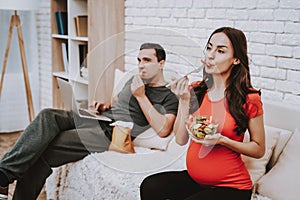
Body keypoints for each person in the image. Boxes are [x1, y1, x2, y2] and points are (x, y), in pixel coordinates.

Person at [0, 43, 178, 200]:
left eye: (146, 60)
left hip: (112, 133)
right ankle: (4, 173)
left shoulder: (168, 96)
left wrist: (141, 96)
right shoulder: (134, 80)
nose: (140, 66)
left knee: (42, 149)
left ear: (161, 64)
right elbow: (117, 101)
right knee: (48, 115)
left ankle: (4, 178)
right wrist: (102, 106)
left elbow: (163, 129)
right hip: (100, 118)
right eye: (139, 60)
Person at [140, 27, 266, 200]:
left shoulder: (249, 98)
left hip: (232, 188)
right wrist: (184, 101)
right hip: (196, 181)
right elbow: (180, 139)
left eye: (220, 51)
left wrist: (222, 140)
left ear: (236, 59)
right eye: (209, 48)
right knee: (150, 186)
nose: (211, 55)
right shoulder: (196, 90)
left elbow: (259, 149)